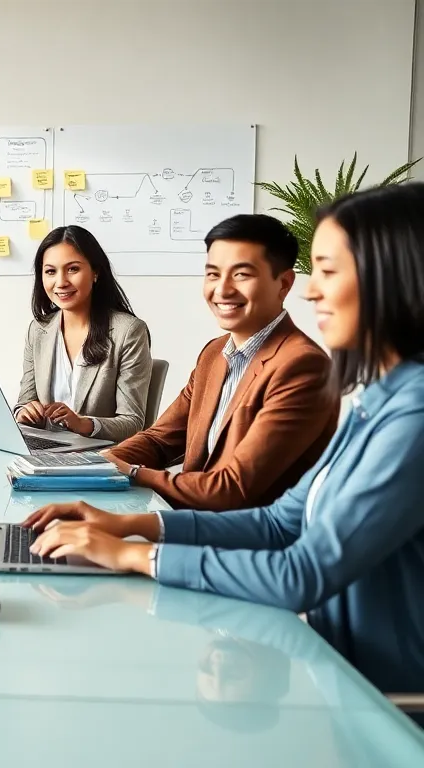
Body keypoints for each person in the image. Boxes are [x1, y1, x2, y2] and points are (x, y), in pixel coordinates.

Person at [24, 182, 424, 712]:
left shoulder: (409, 412)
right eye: (212, 273)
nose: (313, 292)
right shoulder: (380, 397)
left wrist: (132, 553)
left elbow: (301, 571)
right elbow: (280, 522)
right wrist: (122, 520)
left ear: (391, 276)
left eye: (329, 271)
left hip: (382, 699)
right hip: (332, 669)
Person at [101, 214, 339, 511]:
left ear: (284, 284)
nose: (223, 290)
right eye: (213, 274)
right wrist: (97, 465)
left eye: (241, 275)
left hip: (246, 533)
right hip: (194, 518)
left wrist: (133, 473)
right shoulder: (214, 353)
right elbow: (159, 441)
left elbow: (233, 489)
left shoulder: (303, 366)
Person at [15, 225, 152, 443]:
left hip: (98, 453)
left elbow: (133, 422)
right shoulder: (38, 330)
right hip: (46, 449)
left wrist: (83, 424)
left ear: (95, 272)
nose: (61, 282)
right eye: (50, 271)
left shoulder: (128, 332)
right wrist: (24, 412)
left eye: (72, 269)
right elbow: (25, 401)